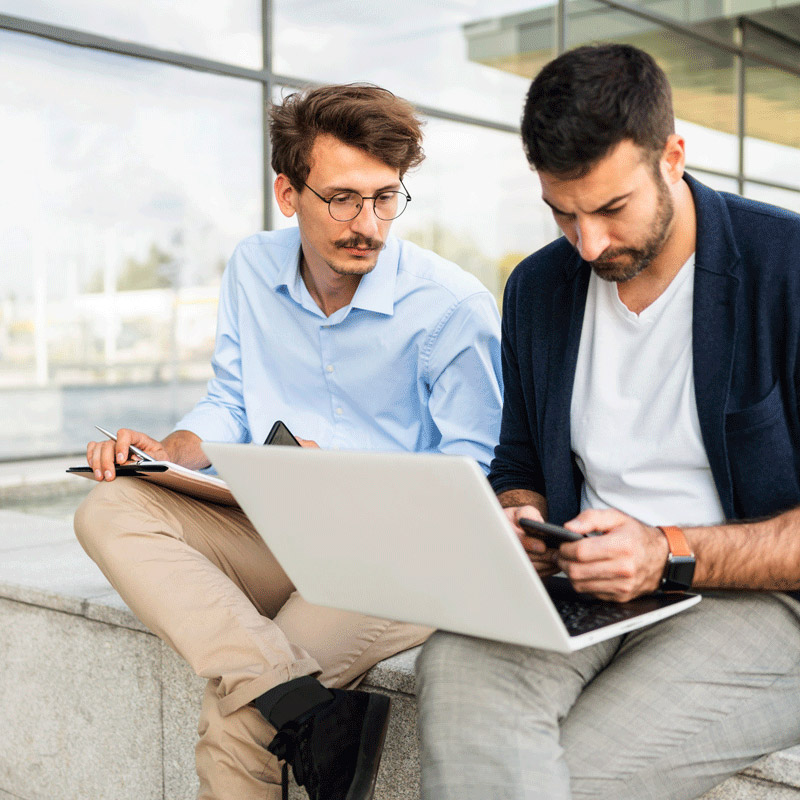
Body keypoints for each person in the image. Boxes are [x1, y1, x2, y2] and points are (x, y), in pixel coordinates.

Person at [74, 84, 503, 800]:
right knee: (108, 510)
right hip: (278, 532)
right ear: (287, 192)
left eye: (385, 198)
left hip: (394, 559)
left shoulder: (451, 309)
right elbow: (228, 404)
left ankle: (276, 702)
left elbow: (477, 475)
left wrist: (343, 478)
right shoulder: (252, 267)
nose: (366, 222)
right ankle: (298, 701)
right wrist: (167, 451)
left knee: (238, 721)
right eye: (341, 198)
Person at [416, 44, 800, 800]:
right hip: (582, 581)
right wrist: (520, 520)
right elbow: (519, 464)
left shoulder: (785, 269)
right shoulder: (537, 289)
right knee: (452, 668)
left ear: (673, 156)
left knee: (577, 777)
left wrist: (664, 551)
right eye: (563, 213)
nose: (588, 244)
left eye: (610, 209)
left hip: (762, 600)